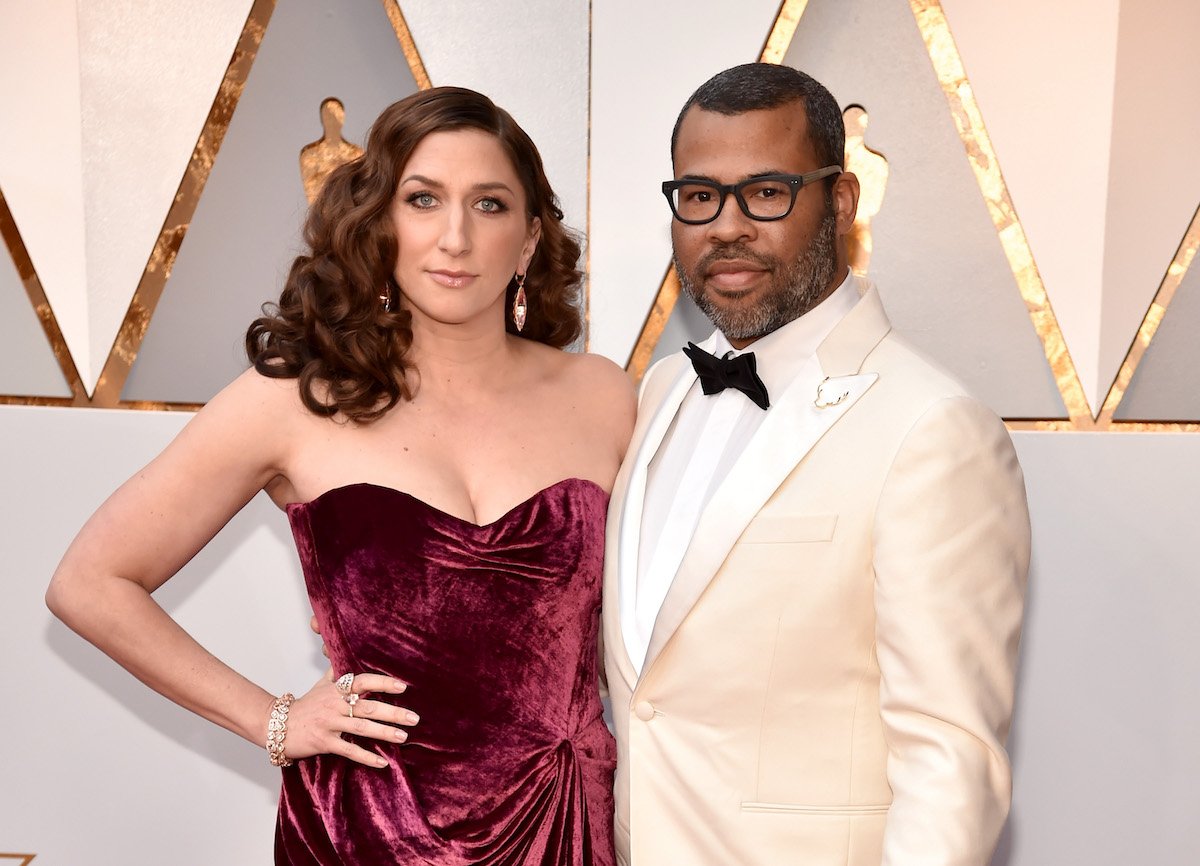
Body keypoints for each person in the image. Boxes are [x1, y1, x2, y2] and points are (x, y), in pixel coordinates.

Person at [47, 86, 634, 866]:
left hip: (562, 822)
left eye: (488, 205)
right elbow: (89, 582)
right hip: (367, 830)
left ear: (528, 242)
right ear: (381, 224)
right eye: (422, 199)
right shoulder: (295, 401)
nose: (454, 236)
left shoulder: (605, 396)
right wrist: (273, 720)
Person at [601, 63, 1030, 866]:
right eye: (699, 195)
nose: (726, 226)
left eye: (765, 191)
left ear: (840, 201)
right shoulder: (660, 392)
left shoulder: (933, 429)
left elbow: (950, 767)